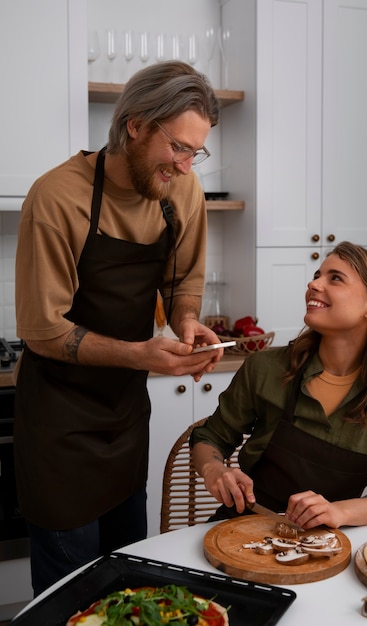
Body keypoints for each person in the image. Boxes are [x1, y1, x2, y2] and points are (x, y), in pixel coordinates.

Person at [14, 61, 224, 596]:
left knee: (130, 584)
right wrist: (143, 355)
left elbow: (184, 283)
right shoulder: (56, 197)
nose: (184, 164)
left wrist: (185, 325)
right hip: (59, 426)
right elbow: (43, 333)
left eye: (195, 152)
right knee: (71, 596)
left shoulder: (182, 189)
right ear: (135, 124)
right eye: (177, 146)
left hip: (126, 418)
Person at [190, 241, 367, 530]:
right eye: (317, 275)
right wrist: (213, 469)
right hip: (245, 527)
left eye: (335, 278)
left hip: (332, 540)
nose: (313, 283)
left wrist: (340, 513)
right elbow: (211, 437)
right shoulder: (265, 368)